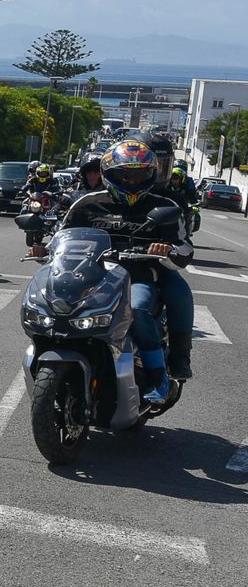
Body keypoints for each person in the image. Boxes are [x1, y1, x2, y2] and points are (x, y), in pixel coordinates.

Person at [52, 139, 195, 398]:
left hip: (139, 277)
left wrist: (166, 251)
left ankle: (157, 377)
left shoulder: (165, 207)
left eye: (139, 175)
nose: (132, 181)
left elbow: (184, 249)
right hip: (91, 277)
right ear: (108, 173)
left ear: (151, 174)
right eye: (124, 175)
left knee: (136, 309)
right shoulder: (86, 204)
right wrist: (43, 250)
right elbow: (60, 239)